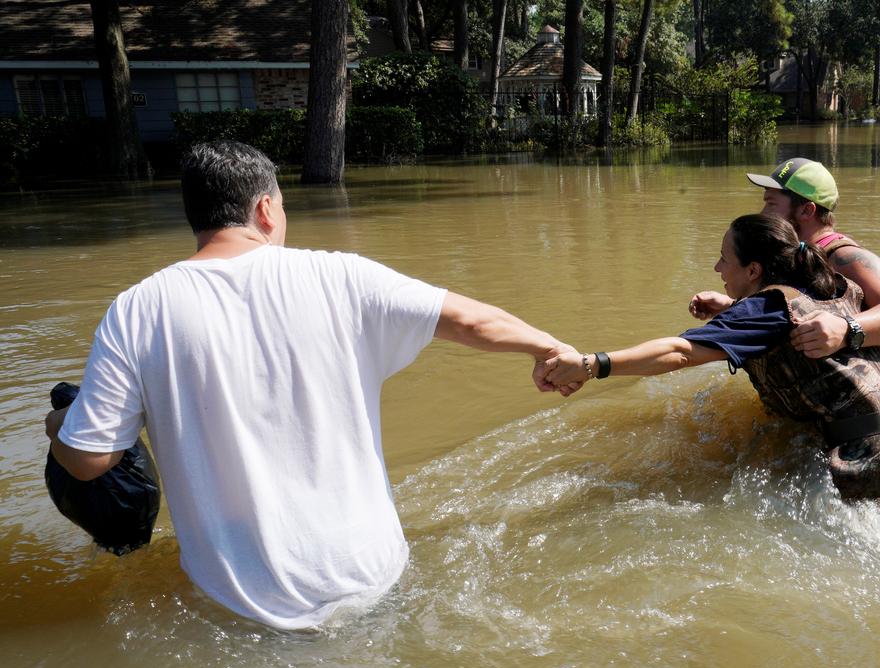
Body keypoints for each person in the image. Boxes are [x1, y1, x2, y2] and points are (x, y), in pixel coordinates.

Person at [43, 140, 577, 630]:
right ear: (266, 208)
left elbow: (89, 460)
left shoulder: (138, 308)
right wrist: (552, 350)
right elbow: (473, 321)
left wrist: (62, 421)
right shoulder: (341, 276)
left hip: (242, 602)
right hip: (372, 577)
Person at [542, 213, 880, 503]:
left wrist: (591, 364)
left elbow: (679, 352)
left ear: (754, 270)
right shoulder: (829, 283)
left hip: (870, 464)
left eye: (723, 259)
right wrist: (730, 308)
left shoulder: (761, 309)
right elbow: (782, 319)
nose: (717, 267)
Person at [689, 157, 880, 359]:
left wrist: (845, 330)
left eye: (771, 204)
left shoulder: (845, 257)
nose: (763, 214)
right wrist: (732, 307)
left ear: (806, 211)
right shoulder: (792, 257)